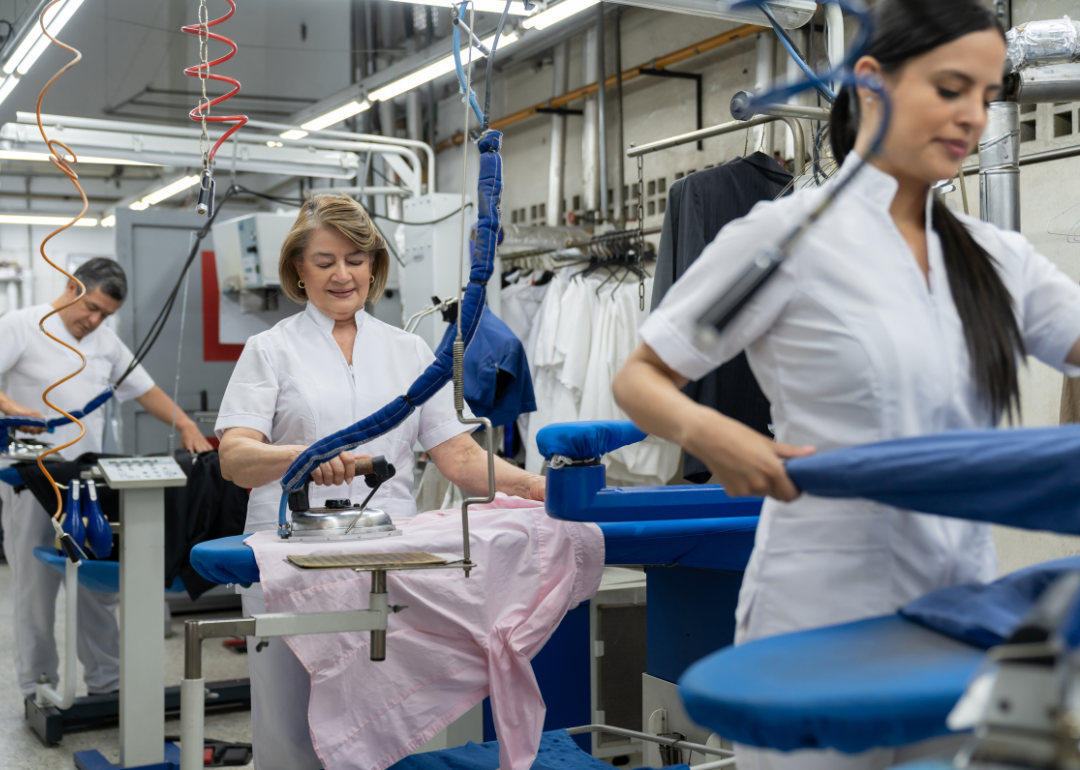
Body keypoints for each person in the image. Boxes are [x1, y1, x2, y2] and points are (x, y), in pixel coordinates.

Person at [613, 2, 1080, 769]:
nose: (971, 116)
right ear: (873, 84)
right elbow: (642, 377)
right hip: (822, 605)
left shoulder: (997, 259)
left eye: (987, 97)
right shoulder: (781, 240)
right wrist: (713, 434)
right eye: (951, 88)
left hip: (957, 604)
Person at [216, 194, 545, 770]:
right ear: (298, 268)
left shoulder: (409, 349)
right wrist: (303, 456)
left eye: (356, 259)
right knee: (293, 729)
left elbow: (461, 458)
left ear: (374, 266)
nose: (342, 275)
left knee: (389, 716)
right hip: (291, 557)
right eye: (324, 261)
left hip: (388, 554)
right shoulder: (270, 350)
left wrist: (542, 487)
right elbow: (235, 457)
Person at [0, 257, 213, 698]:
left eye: (106, 315)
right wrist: (13, 408)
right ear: (71, 286)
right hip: (33, 481)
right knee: (35, 592)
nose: (94, 321)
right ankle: (36, 686)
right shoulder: (21, 325)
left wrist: (188, 426)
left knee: (95, 587)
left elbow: (145, 389)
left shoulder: (106, 342)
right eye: (91, 308)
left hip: (87, 484)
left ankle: (106, 684)